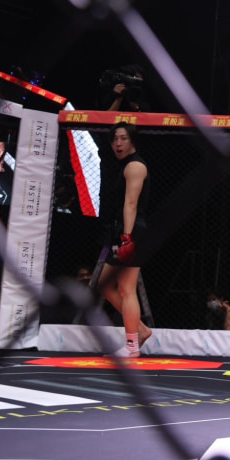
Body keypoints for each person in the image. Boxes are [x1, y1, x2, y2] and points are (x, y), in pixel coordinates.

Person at [96, 122, 152, 357]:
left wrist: (127, 238)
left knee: (127, 288)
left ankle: (132, 346)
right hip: (122, 230)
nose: (117, 144)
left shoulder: (135, 166)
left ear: (133, 141)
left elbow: (131, 204)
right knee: (104, 285)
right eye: (114, 139)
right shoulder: (125, 166)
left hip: (131, 232)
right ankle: (141, 330)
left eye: (123, 138)